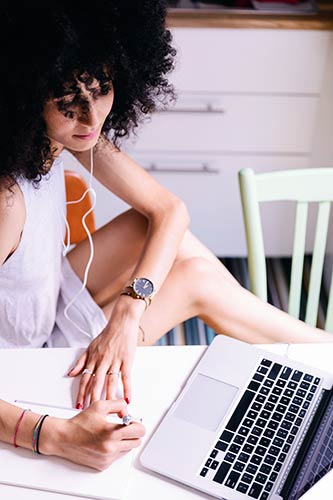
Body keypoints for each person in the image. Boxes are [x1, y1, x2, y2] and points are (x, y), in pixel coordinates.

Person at [0, 2, 332, 470]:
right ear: (26, 93)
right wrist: (53, 436)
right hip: (27, 362)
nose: (92, 119)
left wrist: (128, 315)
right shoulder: (7, 200)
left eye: (101, 90)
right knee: (197, 280)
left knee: (153, 227)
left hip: (48, 306)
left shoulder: (66, 137)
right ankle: (320, 352)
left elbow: (169, 210)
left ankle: (309, 349)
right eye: (69, 104)